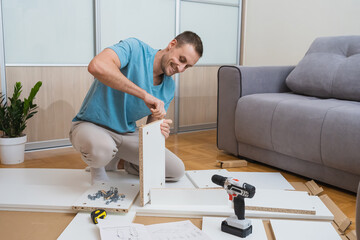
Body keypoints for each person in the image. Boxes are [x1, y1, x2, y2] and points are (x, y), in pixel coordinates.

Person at [69, 31, 203, 184]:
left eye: (187, 66)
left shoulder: (169, 86)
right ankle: (99, 164)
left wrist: (158, 131)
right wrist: (143, 94)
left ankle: (119, 162)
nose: (180, 69)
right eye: (181, 59)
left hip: (126, 134)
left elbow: (150, 128)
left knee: (176, 170)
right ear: (172, 45)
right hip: (91, 125)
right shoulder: (134, 48)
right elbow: (97, 66)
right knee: (101, 149)